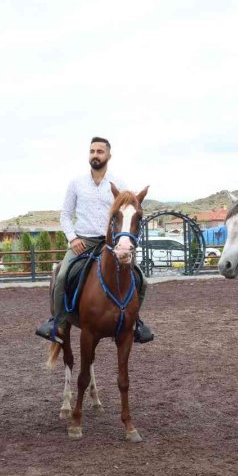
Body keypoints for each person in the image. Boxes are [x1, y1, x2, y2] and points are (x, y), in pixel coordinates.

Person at [35, 137, 154, 344]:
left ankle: (135, 322)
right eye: (92, 151)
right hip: (83, 241)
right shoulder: (76, 183)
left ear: (108, 155)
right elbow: (65, 215)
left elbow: (127, 214)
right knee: (62, 275)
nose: (95, 155)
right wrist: (72, 239)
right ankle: (58, 323)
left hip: (111, 243)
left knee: (140, 278)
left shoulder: (119, 184)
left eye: (100, 151)